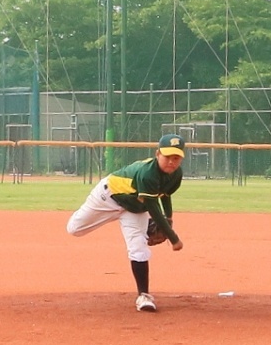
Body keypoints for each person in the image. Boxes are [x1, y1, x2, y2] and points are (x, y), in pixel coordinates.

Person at [67, 132, 186, 312]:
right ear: (158, 154)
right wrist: (173, 237)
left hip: (134, 209)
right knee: (74, 229)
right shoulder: (148, 174)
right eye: (167, 156)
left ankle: (144, 296)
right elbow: (153, 208)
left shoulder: (176, 174)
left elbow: (165, 195)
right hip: (108, 198)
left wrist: (169, 218)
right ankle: (97, 214)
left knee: (138, 247)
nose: (171, 161)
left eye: (176, 157)